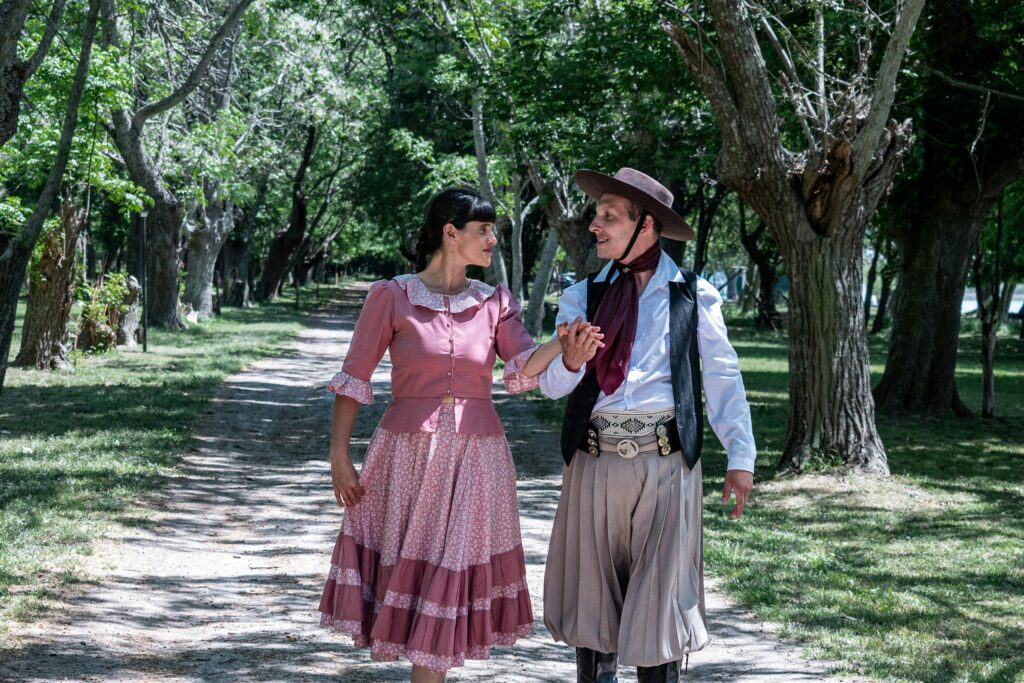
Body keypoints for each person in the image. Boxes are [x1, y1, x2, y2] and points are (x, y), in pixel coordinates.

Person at [317, 188, 601, 682]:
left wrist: (562, 347)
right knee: (420, 578)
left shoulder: (496, 302)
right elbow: (354, 378)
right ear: (451, 233)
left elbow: (518, 370)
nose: (493, 240)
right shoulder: (391, 296)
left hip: (477, 458)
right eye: (484, 231)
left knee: (448, 581)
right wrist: (338, 455)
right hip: (406, 458)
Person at [538, 168, 757, 683]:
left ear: (648, 225)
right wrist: (570, 363)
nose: (595, 225)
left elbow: (723, 376)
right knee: (591, 610)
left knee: (661, 608)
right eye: (597, 214)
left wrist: (740, 458)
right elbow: (550, 387)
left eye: (609, 216)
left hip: (666, 465)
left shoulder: (692, 294)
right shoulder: (582, 296)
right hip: (594, 462)